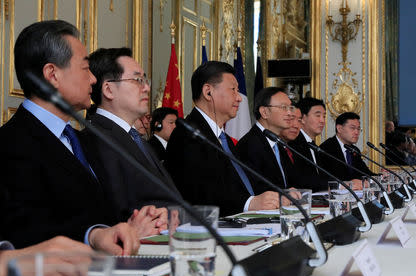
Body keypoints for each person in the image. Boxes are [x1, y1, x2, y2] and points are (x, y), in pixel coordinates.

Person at [0, 20, 146, 251]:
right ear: (52, 74)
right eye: (85, 68)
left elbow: (97, 211)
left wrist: (133, 224)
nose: (93, 79)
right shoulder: (11, 144)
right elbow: (25, 231)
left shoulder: (81, 138)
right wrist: (92, 235)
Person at [165, 61, 281, 216]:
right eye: (233, 89)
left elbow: (240, 184)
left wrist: (277, 197)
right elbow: (201, 193)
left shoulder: (222, 138)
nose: (239, 98)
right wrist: (249, 203)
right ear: (208, 92)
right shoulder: (187, 134)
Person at [81, 47, 174, 227]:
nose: (147, 87)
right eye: (138, 80)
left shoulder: (137, 139)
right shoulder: (97, 139)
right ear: (108, 89)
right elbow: (120, 210)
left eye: (145, 80)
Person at [236, 87, 298, 194]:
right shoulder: (249, 145)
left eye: (290, 107)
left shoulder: (278, 144)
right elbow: (254, 189)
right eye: (283, 107)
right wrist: (284, 194)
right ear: (264, 112)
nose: (290, 113)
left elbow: (291, 181)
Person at [319, 112, 376, 181]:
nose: (356, 132)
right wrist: (350, 183)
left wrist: (382, 177)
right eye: (352, 128)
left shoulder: (354, 150)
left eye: (358, 129)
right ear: (339, 128)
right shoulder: (326, 149)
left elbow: (365, 173)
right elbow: (326, 179)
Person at [288, 97, 329, 191]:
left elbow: (321, 177)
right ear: (302, 118)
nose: (322, 120)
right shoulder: (294, 144)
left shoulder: (313, 145)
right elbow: (303, 181)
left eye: (324, 116)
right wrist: (337, 186)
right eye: (318, 115)